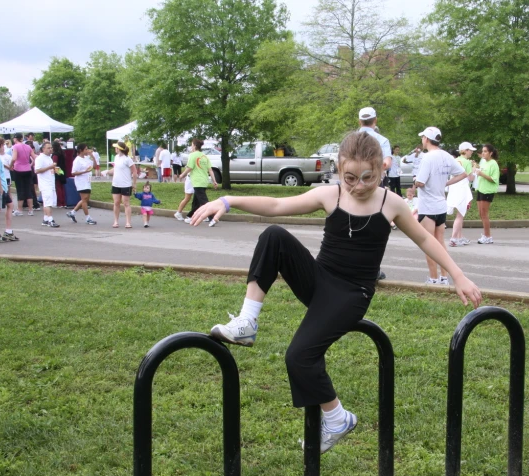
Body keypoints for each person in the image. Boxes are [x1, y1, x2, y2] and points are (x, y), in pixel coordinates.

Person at [189, 131, 482, 454]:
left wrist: (458, 276)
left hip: (351, 294)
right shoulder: (331, 195)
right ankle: (247, 322)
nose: (358, 186)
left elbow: (426, 240)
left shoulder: (391, 203)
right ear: (339, 170)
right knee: (274, 236)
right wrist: (228, 201)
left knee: (299, 356)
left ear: (381, 170)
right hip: (319, 279)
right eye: (350, 177)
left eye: (367, 177)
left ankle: (337, 417)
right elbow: (275, 205)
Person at [413, 127, 465, 284]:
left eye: (423, 137)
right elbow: (462, 173)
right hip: (441, 205)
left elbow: (421, 182)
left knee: (428, 243)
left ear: (427, 139)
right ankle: (444, 277)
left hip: (427, 206)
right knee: (440, 242)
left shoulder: (427, 158)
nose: (422, 140)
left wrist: (414, 180)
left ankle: (433, 278)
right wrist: (445, 183)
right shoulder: (447, 156)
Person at [357, 107, 391, 280]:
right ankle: (372, 268)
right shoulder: (382, 140)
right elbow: (387, 163)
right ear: (375, 120)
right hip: (374, 188)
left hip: (352, 188)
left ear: (359, 121)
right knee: (374, 226)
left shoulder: (351, 139)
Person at [445, 142, 477, 247]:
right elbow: (471, 178)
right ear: (465, 150)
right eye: (470, 150)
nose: (471, 152)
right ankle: (454, 238)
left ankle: (459, 237)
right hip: (462, 189)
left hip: (453, 188)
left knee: (459, 215)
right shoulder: (467, 162)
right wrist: (474, 169)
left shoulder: (454, 160)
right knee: (460, 215)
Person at [181, 138, 218, 225]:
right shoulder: (204, 156)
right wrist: (214, 181)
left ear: (194, 146)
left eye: (191, 145)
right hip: (204, 181)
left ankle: (213, 218)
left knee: (204, 202)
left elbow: (189, 167)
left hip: (197, 181)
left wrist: (182, 175)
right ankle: (191, 217)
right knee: (196, 202)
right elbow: (210, 170)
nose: (191, 146)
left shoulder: (192, 155)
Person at [66, 143, 97, 225]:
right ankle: (88, 217)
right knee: (84, 199)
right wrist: (84, 171)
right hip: (81, 181)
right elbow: (73, 172)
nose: (87, 150)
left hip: (87, 180)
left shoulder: (86, 158)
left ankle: (72, 212)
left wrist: (92, 156)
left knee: (86, 199)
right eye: (86, 149)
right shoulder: (77, 160)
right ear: (81, 150)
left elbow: (94, 166)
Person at [475, 144, 499, 244]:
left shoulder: (493, 164)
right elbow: (482, 170)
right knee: (480, 213)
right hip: (481, 189)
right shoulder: (485, 162)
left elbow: (494, 179)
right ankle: (485, 235)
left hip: (488, 191)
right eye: (483, 151)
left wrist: (482, 174)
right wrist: (477, 167)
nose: (483, 153)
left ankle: (488, 236)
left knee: (484, 214)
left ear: (491, 153)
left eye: (485, 151)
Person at [111, 141, 137, 228]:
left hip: (125, 184)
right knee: (116, 202)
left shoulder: (127, 159)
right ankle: (116, 221)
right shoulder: (116, 157)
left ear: (120, 149)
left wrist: (134, 183)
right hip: (116, 183)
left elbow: (134, 171)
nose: (115, 148)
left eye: (116, 147)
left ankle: (128, 222)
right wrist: (107, 172)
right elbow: (115, 169)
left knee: (126, 203)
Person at [34, 142, 60, 228]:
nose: (50, 149)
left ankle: (45, 219)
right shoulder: (40, 158)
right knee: (48, 202)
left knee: (49, 202)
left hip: (50, 182)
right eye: (48, 148)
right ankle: (50, 219)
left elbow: (49, 168)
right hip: (45, 184)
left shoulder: (49, 158)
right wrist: (50, 167)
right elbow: (37, 170)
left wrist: (55, 169)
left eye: (51, 148)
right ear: (43, 149)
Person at [10, 133, 36, 216]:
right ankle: (31, 209)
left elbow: (14, 158)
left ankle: (20, 209)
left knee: (20, 189)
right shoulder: (28, 146)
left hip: (18, 169)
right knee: (28, 189)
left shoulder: (15, 147)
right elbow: (34, 157)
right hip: (28, 169)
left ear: (15, 139)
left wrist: (11, 165)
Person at [51, 141, 67, 209]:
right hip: (62, 171)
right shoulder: (62, 153)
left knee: (58, 187)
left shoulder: (55, 155)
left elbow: (55, 164)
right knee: (62, 187)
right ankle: (64, 202)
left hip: (57, 171)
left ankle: (60, 202)